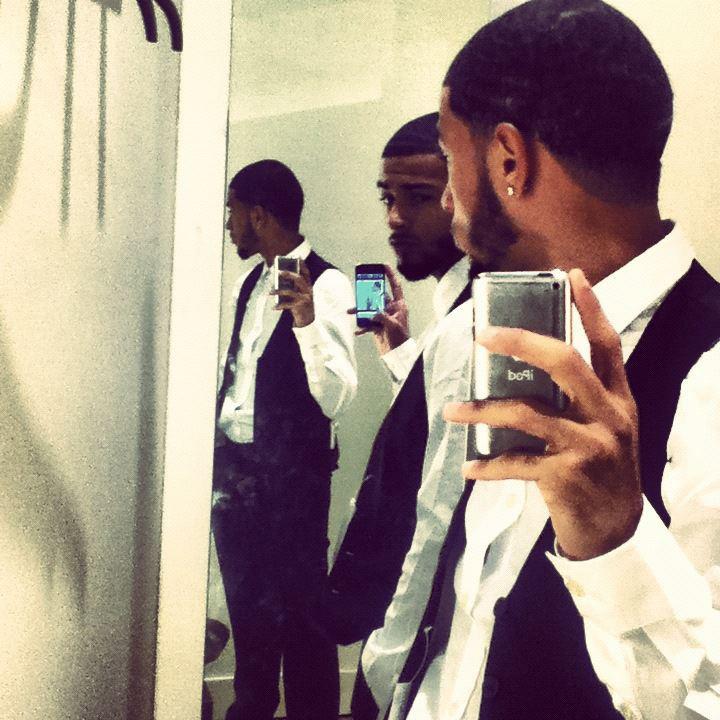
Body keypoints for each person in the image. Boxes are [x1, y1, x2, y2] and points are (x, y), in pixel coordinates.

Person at [371, 2, 720, 720]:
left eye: (449, 158)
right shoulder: (488, 328)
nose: (445, 197)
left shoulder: (711, 377)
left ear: (508, 160)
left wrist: (616, 541)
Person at [324, 113, 469, 719]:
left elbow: (435, 518)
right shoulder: (453, 313)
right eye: (388, 197)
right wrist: (398, 348)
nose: (395, 218)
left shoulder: (469, 323)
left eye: (419, 196)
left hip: (416, 651)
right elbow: (437, 420)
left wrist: (383, 666)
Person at [211, 159, 357, 720]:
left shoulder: (330, 284)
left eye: (232, 211)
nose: (228, 223)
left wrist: (307, 322)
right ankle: (250, 710)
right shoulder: (246, 284)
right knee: (247, 611)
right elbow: (236, 378)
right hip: (236, 478)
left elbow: (338, 397)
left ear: (258, 215)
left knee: (303, 618)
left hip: (294, 482)